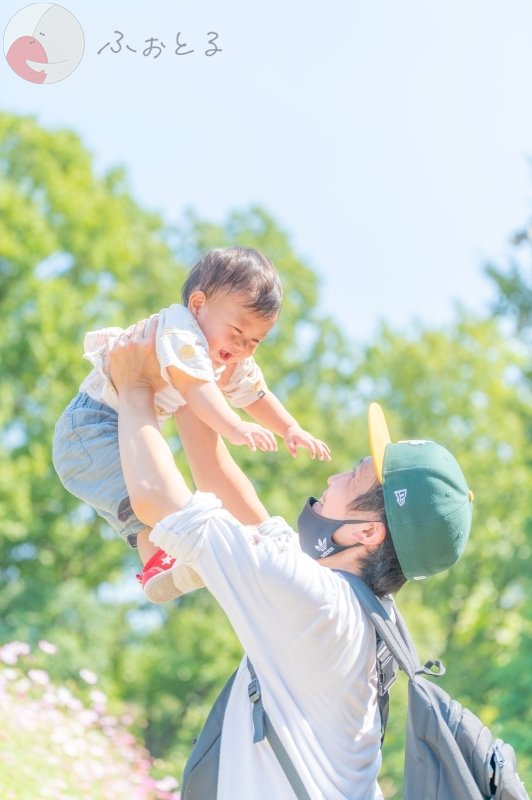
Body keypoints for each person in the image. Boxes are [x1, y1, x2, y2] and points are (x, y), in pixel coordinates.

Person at [107, 317, 474, 800]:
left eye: (354, 476)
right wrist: (196, 374)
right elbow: (215, 475)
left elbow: (155, 497)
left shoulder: (314, 600)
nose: (333, 479)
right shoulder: (364, 614)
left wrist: (134, 385)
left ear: (367, 532)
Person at [52, 247, 330, 604]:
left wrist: (290, 428)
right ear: (198, 304)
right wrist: (234, 426)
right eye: (237, 330)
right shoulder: (181, 330)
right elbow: (195, 387)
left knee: (148, 513)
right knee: (157, 499)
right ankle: (165, 560)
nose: (242, 346)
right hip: (89, 431)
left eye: (255, 341)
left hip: (118, 433)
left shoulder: (225, 352)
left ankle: (159, 567)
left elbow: (256, 393)